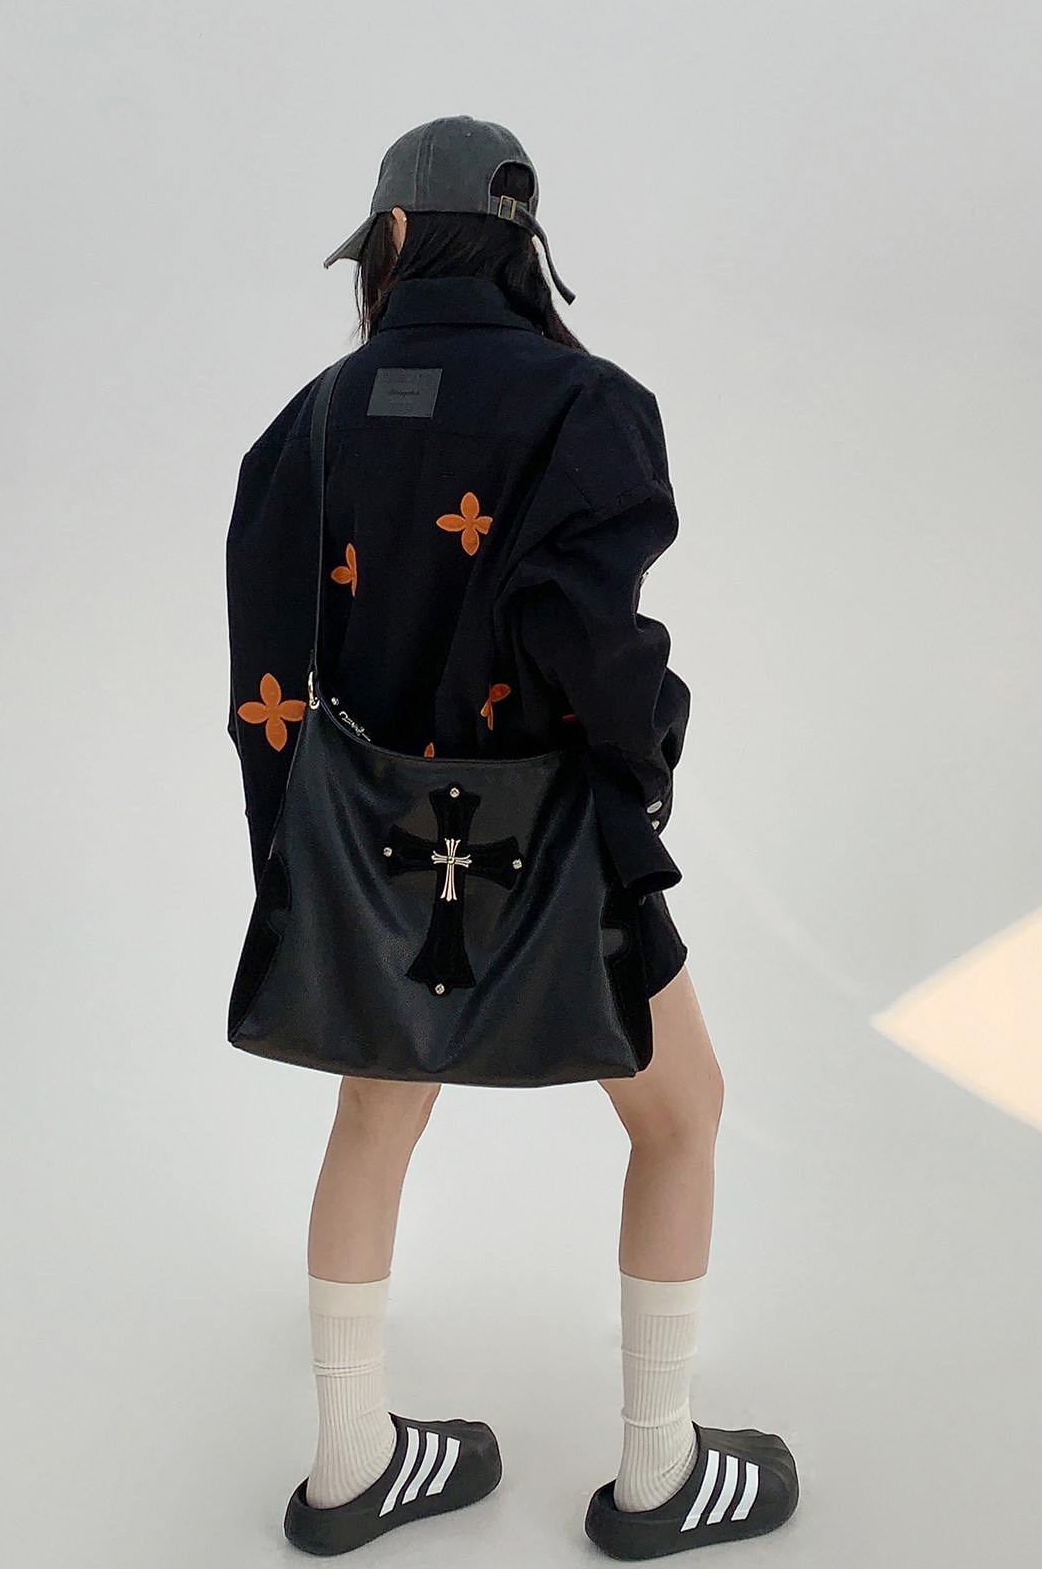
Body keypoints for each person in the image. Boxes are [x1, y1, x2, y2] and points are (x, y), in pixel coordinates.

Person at [225, 118, 797, 1557]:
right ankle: (659, 1473)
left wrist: (301, 869)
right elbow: (592, 645)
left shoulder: (309, 424)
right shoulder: (588, 406)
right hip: (559, 843)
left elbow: (265, 685)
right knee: (681, 1115)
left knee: (373, 1116)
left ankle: (352, 1465)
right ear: (519, 242)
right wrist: (640, 778)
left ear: (395, 237)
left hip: (375, 855)